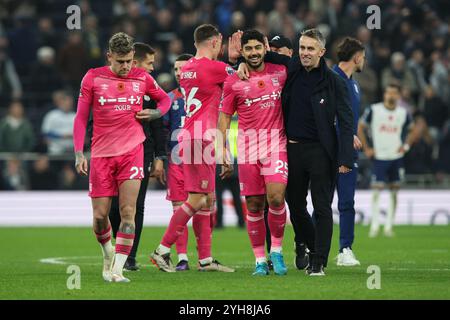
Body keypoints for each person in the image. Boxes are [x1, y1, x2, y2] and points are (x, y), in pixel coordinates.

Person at [238, 29, 354, 276]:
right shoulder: (290, 70)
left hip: (322, 152)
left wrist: (345, 158)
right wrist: (238, 63)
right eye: (302, 48)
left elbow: (346, 121)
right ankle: (312, 249)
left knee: (322, 207)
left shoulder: (335, 81)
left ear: (322, 52)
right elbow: (259, 56)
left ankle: (318, 262)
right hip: (291, 148)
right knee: (296, 207)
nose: (305, 53)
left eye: (311, 49)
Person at [73, 32, 171, 283]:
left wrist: (155, 113)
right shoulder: (93, 78)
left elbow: (165, 100)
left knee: (129, 211)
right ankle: (108, 255)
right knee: (99, 216)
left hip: (132, 152)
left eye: (129, 61)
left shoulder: (143, 78)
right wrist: (78, 153)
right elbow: (81, 117)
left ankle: (117, 269)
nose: (126, 66)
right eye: (121, 61)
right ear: (109, 57)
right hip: (102, 154)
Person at [149, 24, 236, 273]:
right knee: (197, 199)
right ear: (215, 41)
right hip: (201, 138)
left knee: (205, 198)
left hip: (188, 135)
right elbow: (242, 79)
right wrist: (235, 59)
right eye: (220, 42)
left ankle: (206, 259)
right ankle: (162, 250)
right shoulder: (216, 68)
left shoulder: (186, 69)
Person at [219, 29, 289, 276]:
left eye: (257, 48)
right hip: (248, 149)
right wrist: (223, 149)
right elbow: (224, 118)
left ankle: (277, 252)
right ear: (243, 51)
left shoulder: (281, 72)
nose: (254, 53)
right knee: (254, 205)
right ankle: (260, 260)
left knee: (277, 198)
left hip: (275, 145)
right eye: (248, 49)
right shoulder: (234, 81)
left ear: (265, 47)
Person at [108, 42, 167, 272]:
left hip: (143, 152)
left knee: (135, 206)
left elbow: (158, 126)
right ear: (135, 62)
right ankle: (122, 243)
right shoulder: (110, 85)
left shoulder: (148, 87)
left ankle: (128, 257)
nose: (152, 68)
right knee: (114, 207)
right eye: (149, 63)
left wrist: (160, 156)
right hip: (112, 151)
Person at [358, 83, 415, 238]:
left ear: (398, 96)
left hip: (396, 156)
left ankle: (389, 226)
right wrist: (367, 148)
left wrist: (406, 146)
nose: (390, 96)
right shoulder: (374, 110)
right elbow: (361, 127)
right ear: (384, 95)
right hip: (380, 157)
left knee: (394, 192)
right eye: (388, 93)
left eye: (394, 93)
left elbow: (412, 129)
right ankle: (375, 226)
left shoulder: (404, 112)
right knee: (376, 191)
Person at [332, 37, 365, 266]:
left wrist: (352, 134)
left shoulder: (353, 83)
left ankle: (345, 249)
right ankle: (311, 245)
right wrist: (345, 134)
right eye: (363, 56)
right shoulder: (331, 79)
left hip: (347, 152)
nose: (364, 61)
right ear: (356, 57)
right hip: (330, 150)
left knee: (346, 202)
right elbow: (325, 115)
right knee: (325, 203)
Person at [162, 53, 192, 271]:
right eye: (176, 70)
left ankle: (205, 257)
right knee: (178, 210)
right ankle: (183, 257)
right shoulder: (169, 98)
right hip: (176, 161)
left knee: (204, 211)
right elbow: (162, 131)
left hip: (202, 158)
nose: (179, 73)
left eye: (183, 69)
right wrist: (159, 160)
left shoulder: (208, 95)